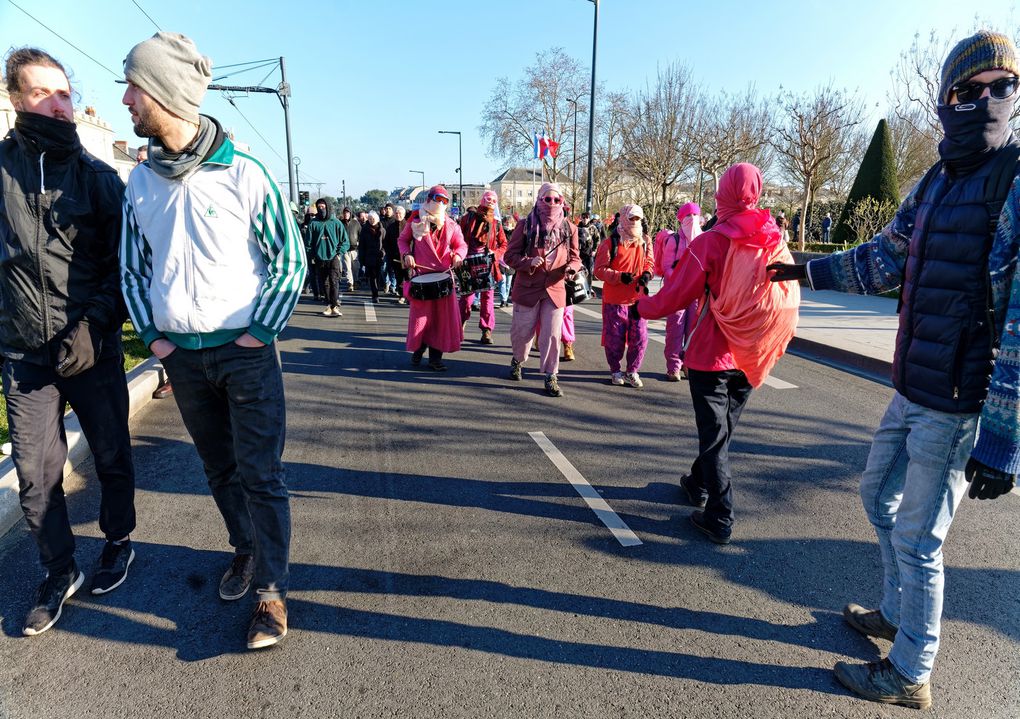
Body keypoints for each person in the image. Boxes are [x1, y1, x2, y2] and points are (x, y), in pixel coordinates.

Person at [768, 31, 1020, 710]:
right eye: (972, 90)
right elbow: (879, 257)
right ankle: (893, 611)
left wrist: (1002, 441)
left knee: (919, 536)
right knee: (876, 497)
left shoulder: (1016, 183)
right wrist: (804, 269)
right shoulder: (937, 180)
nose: (990, 100)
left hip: (961, 401)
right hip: (911, 385)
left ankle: (910, 670)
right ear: (947, 101)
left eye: (1005, 87)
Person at [120, 31, 306, 650]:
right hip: (185, 359)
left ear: (168, 93)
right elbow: (131, 268)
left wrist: (260, 331)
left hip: (246, 354)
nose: (125, 99)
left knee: (261, 474)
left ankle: (272, 595)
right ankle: (246, 551)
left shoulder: (244, 173)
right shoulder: (141, 183)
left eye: (135, 87)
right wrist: (155, 337)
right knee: (219, 469)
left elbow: (289, 259)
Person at [1, 47, 137, 636]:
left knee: (111, 455)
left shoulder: (99, 179)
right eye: (42, 94)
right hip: (22, 355)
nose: (58, 106)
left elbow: (124, 269)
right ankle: (59, 571)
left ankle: (118, 539)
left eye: (65, 94)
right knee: (35, 472)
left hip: (92, 349)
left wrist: (95, 327)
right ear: (15, 99)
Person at [638, 163, 785, 546]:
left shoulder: (711, 242)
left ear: (722, 193)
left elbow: (676, 296)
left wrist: (642, 307)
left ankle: (720, 514)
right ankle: (697, 481)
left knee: (715, 437)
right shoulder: (773, 238)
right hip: (751, 355)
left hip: (712, 355)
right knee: (723, 430)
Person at [504, 182, 581, 397]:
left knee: (552, 335)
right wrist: (528, 262)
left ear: (562, 202)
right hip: (528, 288)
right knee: (523, 333)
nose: (552, 203)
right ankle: (518, 359)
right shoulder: (525, 225)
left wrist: (572, 270)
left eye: (557, 200)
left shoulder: (569, 228)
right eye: (548, 199)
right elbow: (509, 256)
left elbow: (575, 258)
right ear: (539, 200)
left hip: (555, 289)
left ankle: (551, 375)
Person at [397, 185, 466, 370]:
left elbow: (461, 244)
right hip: (422, 278)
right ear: (429, 199)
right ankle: (419, 350)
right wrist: (406, 256)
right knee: (422, 320)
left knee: (441, 321)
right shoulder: (416, 220)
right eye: (438, 199)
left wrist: (458, 255)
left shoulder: (451, 224)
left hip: (444, 278)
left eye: (445, 200)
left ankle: (436, 359)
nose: (441, 203)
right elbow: (402, 241)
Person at [594, 204, 655, 387]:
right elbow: (598, 270)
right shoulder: (611, 241)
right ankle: (615, 370)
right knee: (615, 339)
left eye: (638, 218)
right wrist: (619, 276)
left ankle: (632, 371)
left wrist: (647, 274)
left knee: (641, 337)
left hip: (638, 299)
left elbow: (650, 263)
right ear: (623, 218)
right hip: (615, 300)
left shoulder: (645, 240)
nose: (635, 221)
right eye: (631, 218)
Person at [653, 203, 702, 381]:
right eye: (688, 216)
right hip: (676, 292)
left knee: (693, 330)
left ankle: (689, 364)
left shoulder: (703, 239)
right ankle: (673, 366)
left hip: (696, 292)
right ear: (681, 219)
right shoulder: (673, 240)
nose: (692, 219)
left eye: (695, 215)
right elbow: (667, 266)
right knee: (675, 329)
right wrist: (681, 279)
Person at [458, 190, 507, 344]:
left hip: (488, 265)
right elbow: (457, 239)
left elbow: (504, 244)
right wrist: (459, 254)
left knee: (487, 300)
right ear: (482, 200)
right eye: (487, 199)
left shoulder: (497, 224)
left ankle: (486, 330)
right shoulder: (467, 219)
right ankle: (459, 326)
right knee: (466, 299)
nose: (490, 201)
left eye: (493, 200)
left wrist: (496, 253)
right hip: (468, 265)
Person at [306, 197, 348, 318]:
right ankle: (329, 304)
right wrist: (312, 256)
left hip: (333, 257)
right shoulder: (313, 223)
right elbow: (308, 243)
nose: (321, 209)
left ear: (328, 207)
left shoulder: (336, 223)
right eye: (319, 207)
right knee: (324, 283)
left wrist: (339, 253)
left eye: (323, 207)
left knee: (334, 281)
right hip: (319, 258)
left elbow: (345, 241)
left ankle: (334, 305)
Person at [358, 211, 385, 303]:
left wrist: (383, 252)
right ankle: (375, 295)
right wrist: (361, 258)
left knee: (379, 275)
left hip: (379, 256)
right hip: (369, 256)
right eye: (369, 219)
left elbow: (385, 243)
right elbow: (361, 245)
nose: (371, 220)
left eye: (373, 219)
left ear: (377, 219)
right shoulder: (364, 230)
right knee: (372, 277)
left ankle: (378, 289)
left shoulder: (382, 230)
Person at [340, 206, 360, 292]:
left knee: (355, 267)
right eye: (344, 213)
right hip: (345, 249)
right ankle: (350, 283)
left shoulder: (355, 223)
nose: (346, 214)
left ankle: (356, 281)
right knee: (347, 268)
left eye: (347, 213)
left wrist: (359, 242)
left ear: (350, 213)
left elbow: (360, 233)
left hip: (354, 249)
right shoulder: (340, 223)